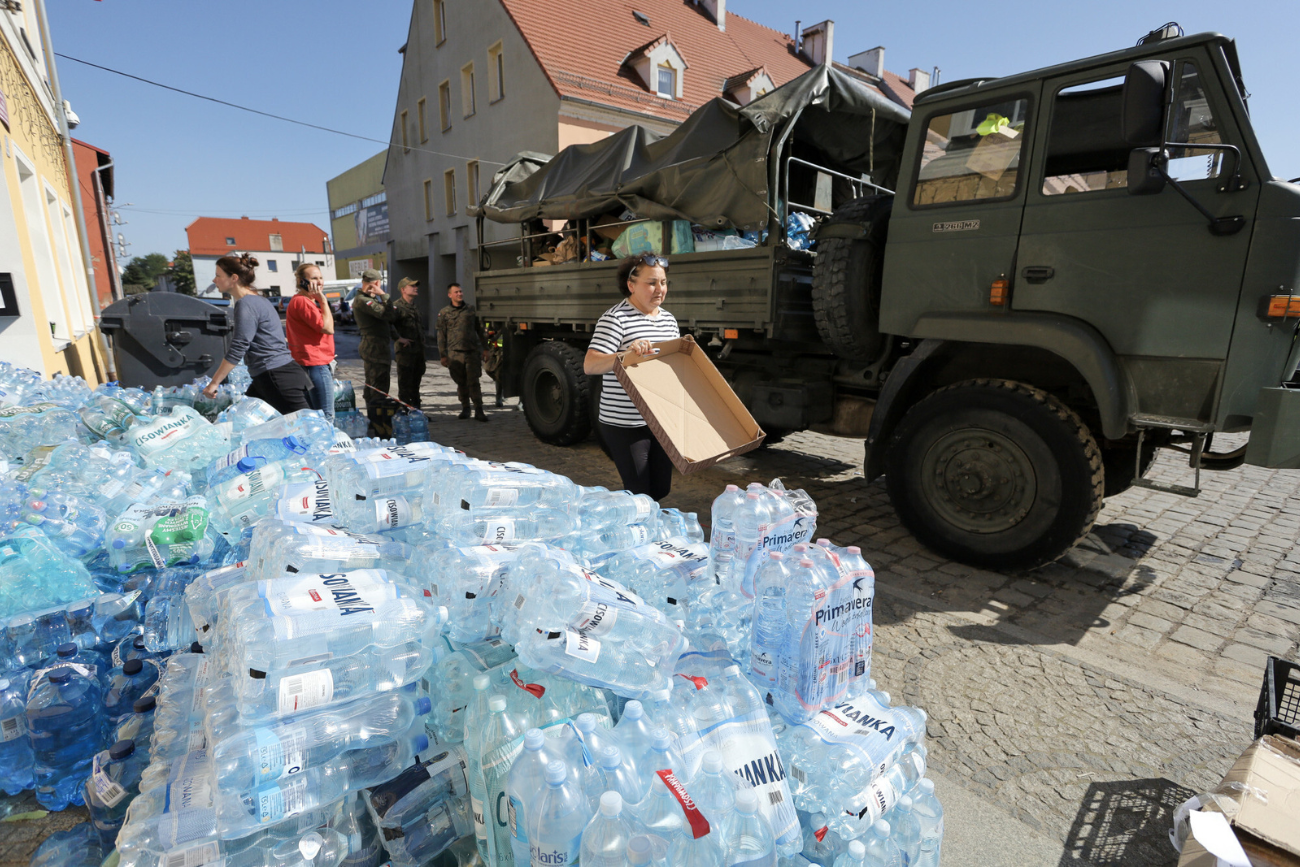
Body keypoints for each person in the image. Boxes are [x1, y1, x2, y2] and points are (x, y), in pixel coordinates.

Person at [583, 253, 680, 500]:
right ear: (631, 285)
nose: (660, 289)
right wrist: (624, 355)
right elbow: (590, 365)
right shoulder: (615, 319)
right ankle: (638, 533)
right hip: (624, 422)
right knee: (640, 492)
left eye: (664, 282)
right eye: (651, 283)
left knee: (660, 489)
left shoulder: (669, 320)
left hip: (659, 420)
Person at [202, 254, 312, 414]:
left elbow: (239, 346)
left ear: (233, 278)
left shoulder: (246, 304)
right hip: (273, 374)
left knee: (309, 428)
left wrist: (214, 383)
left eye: (218, 275)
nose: (214, 280)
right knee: (244, 421)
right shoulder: (259, 300)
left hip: (276, 376)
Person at [285, 262, 336, 426]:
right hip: (316, 364)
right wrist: (323, 301)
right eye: (314, 278)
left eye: (321, 277)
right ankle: (326, 449)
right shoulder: (303, 302)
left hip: (309, 363)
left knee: (313, 416)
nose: (320, 281)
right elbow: (328, 328)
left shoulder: (302, 301)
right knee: (326, 417)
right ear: (302, 281)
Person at [436, 282, 489, 422]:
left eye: (460, 291)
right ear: (450, 295)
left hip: (471, 352)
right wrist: (443, 355)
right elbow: (441, 335)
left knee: (474, 382)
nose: (459, 294)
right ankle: (465, 408)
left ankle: (479, 410)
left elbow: (480, 330)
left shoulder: (471, 310)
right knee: (461, 382)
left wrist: (485, 349)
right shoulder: (444, 313)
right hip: (454, 354)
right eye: (456, 292)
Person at [351, 268, 398, 416]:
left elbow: (383, 324)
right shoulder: (364, 301)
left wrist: (397, 337)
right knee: (379, 383)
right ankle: (379, 418)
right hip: (374, 346)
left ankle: (373, 417)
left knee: (372, 382)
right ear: (377, 283)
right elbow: (389, 315)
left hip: (374, 345)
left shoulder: (368, 299)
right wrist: (384, 295)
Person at [391, 277, 426, 408]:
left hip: (418, 351)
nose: (415, 288)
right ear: (403, 289)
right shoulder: (396, 307)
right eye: (412, 286)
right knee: (405, 384)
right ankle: (406, 411)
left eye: (416, 286)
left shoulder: (414, 307)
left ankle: (417, 411)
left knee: (416, 383)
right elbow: (388, 324)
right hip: (405, 352)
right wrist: (398, 338)